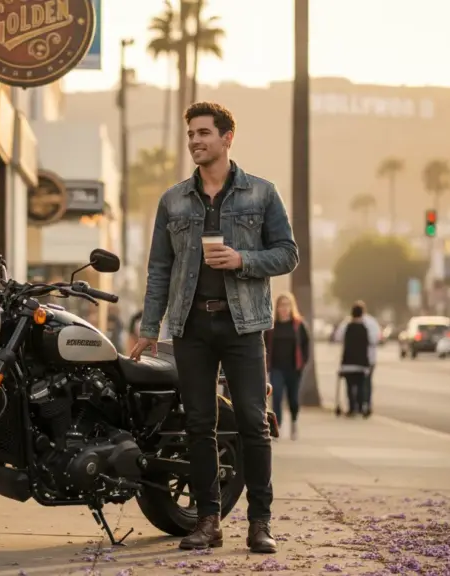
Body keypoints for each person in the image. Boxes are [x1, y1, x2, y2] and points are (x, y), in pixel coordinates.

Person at [128, 101, 299, 553]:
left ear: (227, 138)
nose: (195, 142)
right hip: (191, 327)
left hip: (244, 326)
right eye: (191, 135)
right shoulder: (173, 200)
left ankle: (260, 523)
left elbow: (287, 253)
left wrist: (244, 260)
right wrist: (150, 327)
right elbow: (159, 269)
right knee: (198, 425)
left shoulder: (262, 194)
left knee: (252, 422)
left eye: (204, 133)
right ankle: (208, 520)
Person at [263, 293, 310, 440]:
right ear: (277, 308)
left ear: (291, 307)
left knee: (293, 399)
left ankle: (294, 423)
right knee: (276, 397)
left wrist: (302, 364)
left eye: (287, 305)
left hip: (293, 369)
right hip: (276, 367)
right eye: (281, 305)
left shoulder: (298, 325)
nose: (284, 308)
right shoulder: (272, 326)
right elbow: (264, 345)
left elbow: (305, 345)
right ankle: (278, 428)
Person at [332, 300, 380, 416]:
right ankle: (364, 405)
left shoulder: (346, 324)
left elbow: (337, 337)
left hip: (348, 361)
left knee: (350, 385)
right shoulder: (370, 323)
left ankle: (352, 407)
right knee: (364, 384)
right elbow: (375, 339)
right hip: (365, 361)